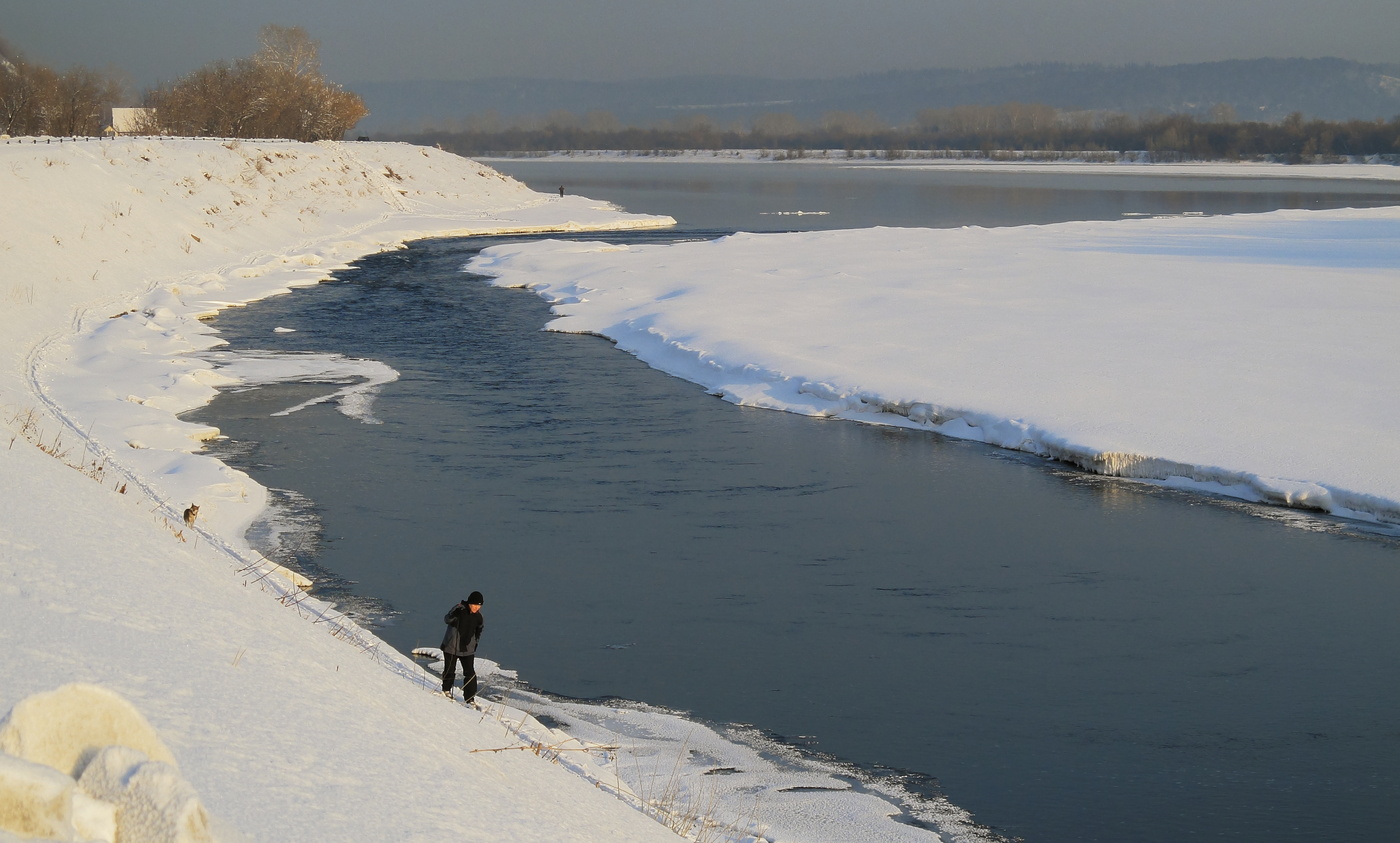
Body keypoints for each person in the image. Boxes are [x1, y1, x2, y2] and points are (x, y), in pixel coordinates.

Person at [440, 591, 484, 702]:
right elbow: (447, 619)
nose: (476, 607)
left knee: (470, 674)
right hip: (451, 646)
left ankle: (470, 698)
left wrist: (475, 643)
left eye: (479, 605)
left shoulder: (479, 617)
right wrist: (454, 614)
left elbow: (479, 629)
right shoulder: (459, 609)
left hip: (467, 649)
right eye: (474, 605)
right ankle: (446, 690)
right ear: (469, 603)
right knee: (450, 669)